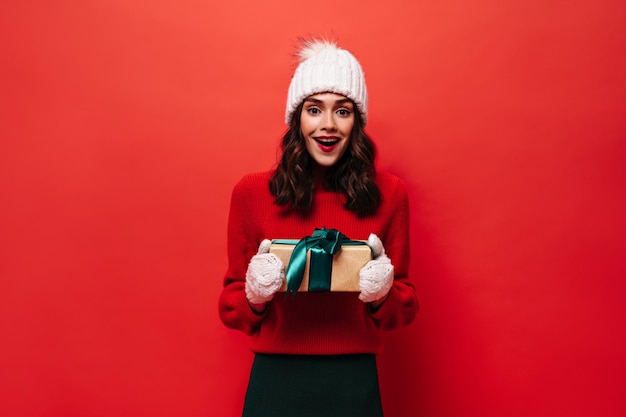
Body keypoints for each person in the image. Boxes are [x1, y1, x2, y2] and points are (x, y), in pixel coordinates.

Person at [218, 38, 418, 417]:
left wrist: (382, 293)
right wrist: (255, 294)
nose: (328, 125)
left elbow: (403, 310)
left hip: (353, 379)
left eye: (342, 111)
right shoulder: (252, 193)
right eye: (314, 109)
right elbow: (231, 308)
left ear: (357, 121)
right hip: (275, 381)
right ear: (296, 117)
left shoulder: (390, 194)